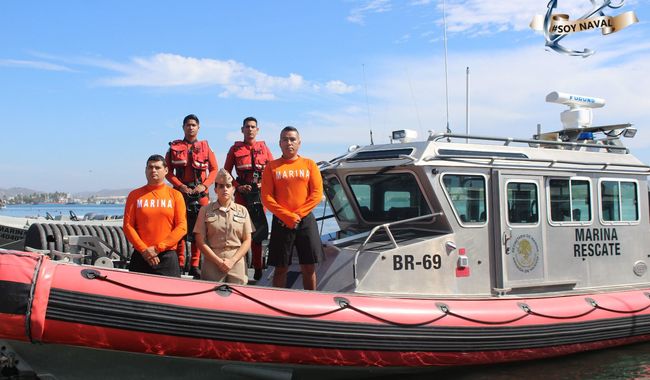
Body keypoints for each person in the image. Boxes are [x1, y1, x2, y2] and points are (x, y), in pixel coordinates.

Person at [261, 126, 323, 290]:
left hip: (305, 221)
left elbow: (317, 194)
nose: (289, 143)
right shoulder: (271, 167)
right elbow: (266, 197)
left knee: (309, 267)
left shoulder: (309, 165)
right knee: (280, 268)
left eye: (292, 139)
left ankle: (311, 301)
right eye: (285, 139)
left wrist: (298, 215)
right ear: (279, 143)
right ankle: (278, 303)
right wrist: (286, 216)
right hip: (282, 222)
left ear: (299, 142)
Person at [165, 114, 218, 278]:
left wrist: (204, 185)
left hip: (200, 194)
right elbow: (167, 171)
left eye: (194, 125)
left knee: (199, 231)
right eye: (188, 125)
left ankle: (195, 264)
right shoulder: (173, 147)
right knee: (179, 230)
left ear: (198, 127)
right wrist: (180, 186)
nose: (191, 127)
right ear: (183, 127)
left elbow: (214, 170)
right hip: (181, 194)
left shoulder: (206, 147)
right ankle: (180, 264)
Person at [223, 116, 274, 281]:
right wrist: (238, 186)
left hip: (259, 195)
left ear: (257, 130)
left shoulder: (264, 148)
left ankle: (258, 269)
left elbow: (272, 169)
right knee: (240, 232)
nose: (250, 129)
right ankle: (240, 267)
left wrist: (263, 184)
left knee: (258, 234)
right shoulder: (234, 149)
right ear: (242, 129)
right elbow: (226, 173)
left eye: (253, 127)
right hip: (242, 194)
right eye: (247, 127)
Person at [123, 154, 187, 277]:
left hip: (167, 257)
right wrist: (144, 250)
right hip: (141, 256)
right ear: (145, 170)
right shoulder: (134, 195)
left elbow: (182, 227)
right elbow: (128, 226)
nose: (153, 170)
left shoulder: (176, 195)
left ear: (166, 170)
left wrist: (158, 248)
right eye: (150, 167)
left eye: (157, 167)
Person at [194, 169, 252, 285]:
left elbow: (247, 239)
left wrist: (233, 261)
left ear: (233, 189)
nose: (225, 189)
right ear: (215, 190)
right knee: (210, 298)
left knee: (238, 298)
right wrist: (218, 261)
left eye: (228, 186)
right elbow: (200, 240)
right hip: (212, 262)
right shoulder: (205, 210)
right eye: (221, 186)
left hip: (236, 262)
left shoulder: (242, 211)